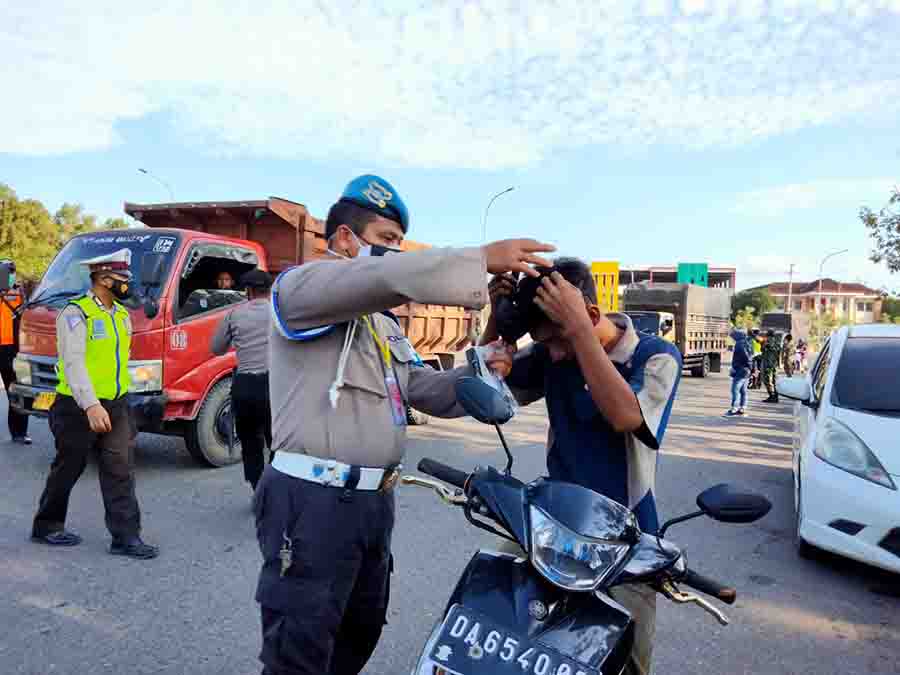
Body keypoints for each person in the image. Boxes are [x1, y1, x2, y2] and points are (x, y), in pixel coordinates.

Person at [255, 173, 552, 675]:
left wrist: (483, 362)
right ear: (345, 239)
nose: (395, 253)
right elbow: (379, 279)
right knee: (300, 652)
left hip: (371, 505)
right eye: (386, 241)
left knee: (357, 634)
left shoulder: (382, 324)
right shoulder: (301, 288)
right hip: (312, 503)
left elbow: (419, 389)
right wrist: (477, 260)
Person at [480, 258, 683, 675]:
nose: (551, 354)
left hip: (628, 539)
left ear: (590, 315)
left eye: (556, 340)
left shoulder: (655, 356)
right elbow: (492, 391)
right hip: (555, 523)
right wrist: (497, 326)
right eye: (545, 342)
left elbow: (625, 416)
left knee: (626, 663)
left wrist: (578, 331)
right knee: (491, 619)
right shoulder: (554, 352)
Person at [31, 250, 158, 559]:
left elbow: (119, 360)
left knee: (120, 469)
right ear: (102, 279)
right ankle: (46, 526)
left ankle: (126, 537)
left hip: (115, 404)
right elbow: (73, 364)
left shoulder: (121, 315)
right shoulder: (76, 314)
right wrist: (90, 405)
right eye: (122, 279)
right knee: (68, 466)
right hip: (77, 406)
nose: (128, 285)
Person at [211, 268, 274, 492]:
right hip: (273, 386)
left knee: (250, 441)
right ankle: (277, 491)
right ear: (269, 291)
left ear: (248, 291)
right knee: (276, 441)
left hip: (244, 386)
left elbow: (216, 348)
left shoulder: (234, 314)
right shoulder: (280, 313)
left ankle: (257, 489)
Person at [0, 261, 31, 443]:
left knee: (17, 391)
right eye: (8, 272)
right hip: (7, 348)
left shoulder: (18, 293)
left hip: (13, 349)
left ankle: (19, 432)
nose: (10, 275)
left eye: (12, 272)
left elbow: (26, 312)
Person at [726, 328, 752, 416]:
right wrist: (751, 368)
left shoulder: (739, 344)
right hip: (746, 371)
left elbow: (746, 357)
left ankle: (734, 408)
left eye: (733, 337)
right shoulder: (746, 342)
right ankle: (742, 408)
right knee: (743, 390)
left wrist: (748, 366)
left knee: (735, 390)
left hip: (741, 370)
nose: (732, 339)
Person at [761, 329, 782, 403]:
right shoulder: (777, 342)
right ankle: (775, 396)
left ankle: (771, 396)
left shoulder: (767, 341)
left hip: (768, 364)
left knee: (767, 380)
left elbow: (763, 349)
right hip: (775, 364)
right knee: (774, 380)